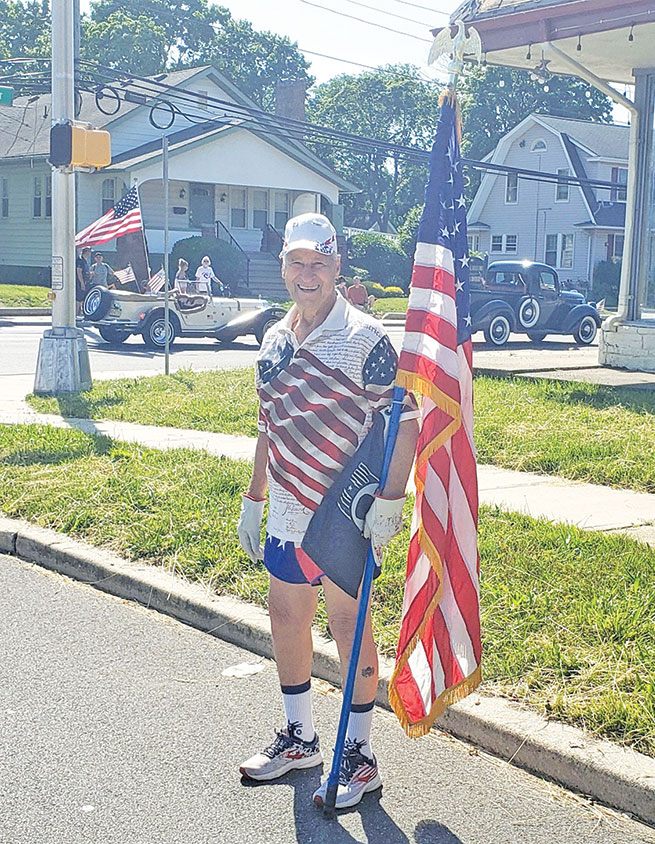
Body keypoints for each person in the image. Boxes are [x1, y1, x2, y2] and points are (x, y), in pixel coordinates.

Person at [237, 213, 419, 810]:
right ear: (284, 266)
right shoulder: (274, 338)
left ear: (337, 268)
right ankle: (301, 739)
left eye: (319, 263)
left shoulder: (367, 338)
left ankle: (359, 756)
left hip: (346, 511)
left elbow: (403, 421)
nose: (307, 274)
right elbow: (270, 423)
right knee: (287, 617)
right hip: (288, 507)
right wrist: (254, 496)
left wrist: (391, 501)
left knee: (348, 626)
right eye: (297, 262)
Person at [75, 246, 92, 314]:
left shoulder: (85, 261)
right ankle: (76, 313)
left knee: (82, 298)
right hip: (80, 282)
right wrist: (82, 283)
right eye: (89, 252)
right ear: (86, 252)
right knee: (78, 298)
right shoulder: (80, 260)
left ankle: (79, 312)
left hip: (85, 281)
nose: (90, 254)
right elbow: (79, 271)